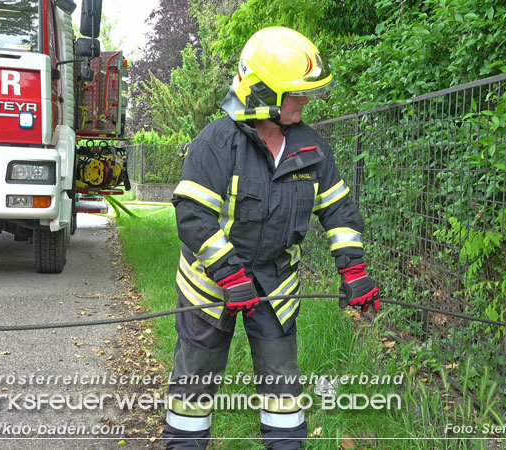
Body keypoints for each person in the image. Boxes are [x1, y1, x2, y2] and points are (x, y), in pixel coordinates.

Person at [163, 26, 381, 450]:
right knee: (195, 382)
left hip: (275, 284)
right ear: (263, 93)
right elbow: (193, 216)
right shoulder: (216, 143)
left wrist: (353, 269)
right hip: (209, 285)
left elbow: (337, 211)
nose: (304, 101)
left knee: (282, 387)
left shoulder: (313, 149)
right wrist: (228, 274)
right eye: (295, 93)